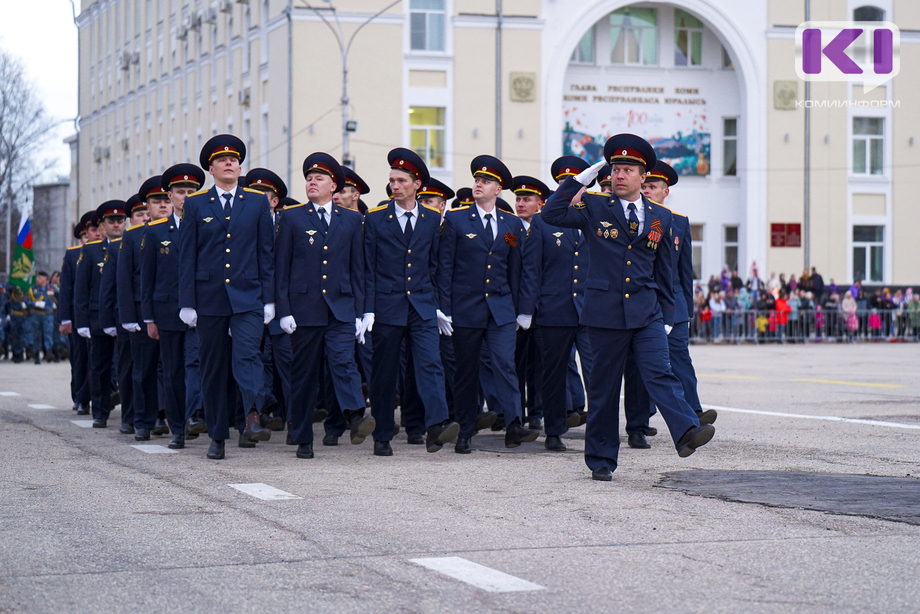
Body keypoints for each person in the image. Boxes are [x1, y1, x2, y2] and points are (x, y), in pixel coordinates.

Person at [541, 133, 713, 481]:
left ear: (642, 177)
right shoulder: (593, 206)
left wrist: (667, 314)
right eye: (615, 169)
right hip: (604, 313)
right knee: (604, 389)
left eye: (627, 169)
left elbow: (664, 271)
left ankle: (685, 431)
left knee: (659, 372)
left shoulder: (660, 216)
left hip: (646, 311)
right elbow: (551, 214)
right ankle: (602, 458)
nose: (619, 175)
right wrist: (582, 178)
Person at [178, 134, 276, 460]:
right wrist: (187, 301)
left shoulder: (257, 202)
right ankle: (217, 435)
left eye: (234, 159)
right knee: (213, 366)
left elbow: (266, 253)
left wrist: (271, 299)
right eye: (222, 160)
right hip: (209, 298)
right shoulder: (196, 204)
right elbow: (187, 255)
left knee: (248, 355)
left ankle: (252, 417)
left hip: (248, 295)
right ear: (211, 168)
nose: (230, 163)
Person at [275, 152, 377, 459]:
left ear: (334, 186)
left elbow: (358, 269)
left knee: (344, 362)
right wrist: (283, 310)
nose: (311, 182)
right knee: (304, 374)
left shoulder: (352, 220)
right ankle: (303, 435)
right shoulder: (292, 217)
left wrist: (363, 312)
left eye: (318, 178)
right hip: (304, 308)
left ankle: (356, 415)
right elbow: (282, 267)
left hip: (341, 308)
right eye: (308, 178)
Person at [359, 148, 458, 456]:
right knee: (385, 371)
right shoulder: (376, 219)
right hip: (387, 306)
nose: (395, 186)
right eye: (392, 180)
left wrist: (441, 306)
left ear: (417, 184)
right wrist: (368, 309)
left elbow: (435, 265)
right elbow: (369, 268)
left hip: (423, 306)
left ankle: (435, 427)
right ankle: (383, 434)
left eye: (401, 180)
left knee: (430, 364)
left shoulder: (432, 219)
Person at [437, 155, 538, 453]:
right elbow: (445, 266)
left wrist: (524, 308)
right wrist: (443, 307)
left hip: (501, 309)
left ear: (498, 189)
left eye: (485, 182)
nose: (478, 184)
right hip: (465, 308)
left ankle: (514, 425)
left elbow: (519, 270)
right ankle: (466, 430)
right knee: (466, 370)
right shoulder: (456, 219)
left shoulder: (511, 224)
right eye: (477, 180)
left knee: (506, 365)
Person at [517, 174, 587, 450]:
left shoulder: (596, 220)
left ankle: (599, 428)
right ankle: (555, 430)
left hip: (591, 310)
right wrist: (526, 310)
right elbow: (532, 269)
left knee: (599, 375)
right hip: (554, 309)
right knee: (554, 373)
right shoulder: (544, 223)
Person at [140, 163, 206, 449]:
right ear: (170, 196)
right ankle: (177, 427)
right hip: (167, 312)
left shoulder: (207, 225)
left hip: (203, 310)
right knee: (174, 372)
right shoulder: (156, 232)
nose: (186, 196)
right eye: (180, 191)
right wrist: (148, 318)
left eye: (191, 190)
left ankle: (195, 417)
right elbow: (148, 278)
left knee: (200, 366)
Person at [75, 202, 127, 428]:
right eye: (111, 222)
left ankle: (130, 410)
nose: (116, 225)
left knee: (127, 366)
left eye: (120, 221)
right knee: (100, 366)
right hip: (98, 317)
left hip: (126, 315)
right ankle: (100, 410)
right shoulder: (91, 250)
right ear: (103, 226)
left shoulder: (134, 243)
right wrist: (81, 321)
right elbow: (81, 289)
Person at [59, 212, 95, 412]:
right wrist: (65, 318)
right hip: (77, 315)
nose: (96, 233)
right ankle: (81, 398)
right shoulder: (74, 254)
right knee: (80, 358)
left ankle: (101, 395)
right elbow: (66, 289)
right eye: (92, 230)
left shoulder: (111, 249)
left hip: (99, 312)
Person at [28, 271, 55, 363]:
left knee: (48, 334)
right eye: (37, 277)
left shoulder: (51, 288)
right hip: (36, 314)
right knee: (36, 335)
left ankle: (48, 353)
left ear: (45, 279)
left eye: (39, 277)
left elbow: (59, 297)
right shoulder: (33, 289)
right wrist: (35, 303)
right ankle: (36, 355)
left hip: (48, 314)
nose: (37, 279)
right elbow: (27, 302)